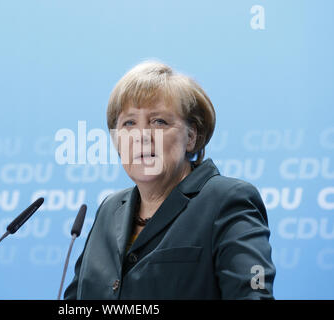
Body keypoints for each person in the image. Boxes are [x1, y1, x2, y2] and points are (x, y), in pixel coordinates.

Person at [64, 60, 276, 299]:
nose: (141, 136)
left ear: (191, 137)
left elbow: (253, 294)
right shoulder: (109, 209)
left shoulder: (226, 200)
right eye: (129, 123)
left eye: (159, 122)